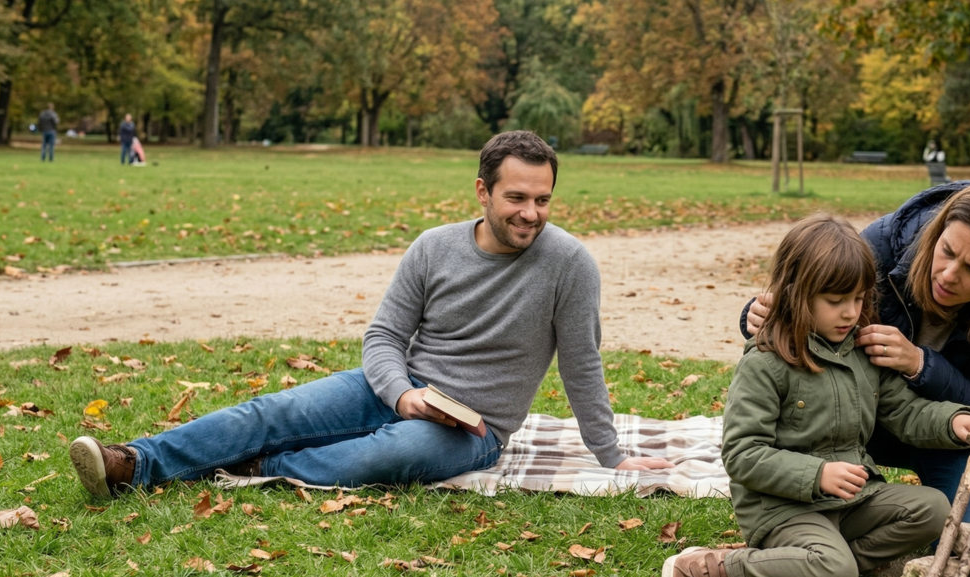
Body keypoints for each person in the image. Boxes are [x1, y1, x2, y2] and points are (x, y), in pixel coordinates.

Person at [68, 131, 669, 498]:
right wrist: (401, 393)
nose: (532, 213)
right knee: (273, 408)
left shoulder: (570, 264)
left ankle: (257, 463)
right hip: (394, 388)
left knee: (382, 456)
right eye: (517, 197)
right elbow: (384, 335)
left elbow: (582, 364)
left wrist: (610, 452)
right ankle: (135, 462)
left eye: (543, 200)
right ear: (482, 192)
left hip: (476, 428)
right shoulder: (434, 247)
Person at [661, 216, 970, 577]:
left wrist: (954, 421)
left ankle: (824, 566)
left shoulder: (860, 353)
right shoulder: (766, 362)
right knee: (835, 572)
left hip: (853, 501)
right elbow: (742, 454)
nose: (851, 313)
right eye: (836, 302)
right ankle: (718, 566)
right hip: (785, 510)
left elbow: (906, 412)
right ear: (796, 295)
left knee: (935, 508)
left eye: (859, 299)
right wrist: (817, 474)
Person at [738, 180, 970, 523]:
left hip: (952, 434)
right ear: (937, 233)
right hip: (858, 415)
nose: (949, 275)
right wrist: (760, 315)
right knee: (809, 504)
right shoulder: (885, 241)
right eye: (947, 251)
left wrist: (920, 364)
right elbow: (817, 297)